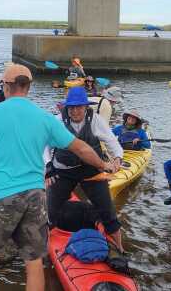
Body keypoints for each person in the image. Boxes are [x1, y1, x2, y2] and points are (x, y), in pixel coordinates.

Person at [0, 65, 115, 291]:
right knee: (33, 260)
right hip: (36, 197)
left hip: (3, 196)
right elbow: (82, 149)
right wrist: (104, 164)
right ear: (28, 86)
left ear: (6, 86)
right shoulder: (45, 118)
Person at [45, 87, 125, 251]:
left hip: (91, 172)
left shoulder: (95, 120)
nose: (75, 111)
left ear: (86, 106)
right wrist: (48, 167)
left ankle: (120, 248)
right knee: (50, 211)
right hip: (63, 172)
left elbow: (112, 141)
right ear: (66, 107)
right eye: (71, 107)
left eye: (79, 107)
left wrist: (117, 157)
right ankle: (43, 248)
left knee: (108, 212)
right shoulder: (57, 121)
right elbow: (43, 146)